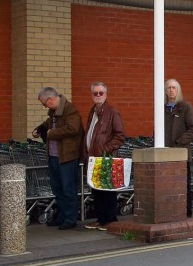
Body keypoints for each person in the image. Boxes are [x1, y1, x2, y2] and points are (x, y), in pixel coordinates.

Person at [32, 87, 83, 230]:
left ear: (50, 100)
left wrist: (51, 133)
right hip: (54, 156)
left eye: (44, 104)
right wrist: (40, 129)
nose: (44, 107)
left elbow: (72, 129)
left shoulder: (70, 109)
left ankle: (71, 218)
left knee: (68, 189)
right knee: (57, 189)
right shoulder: (54, 112)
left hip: (67, 156)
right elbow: (49, 123)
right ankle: (61, 216)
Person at [82, 82, 125, 230]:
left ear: (106, 94)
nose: (98, 95)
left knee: (107, 190)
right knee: (96, 190)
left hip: (106, 157)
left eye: (101, 93)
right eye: (95, 93)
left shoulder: (112, 112)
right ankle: (101, 219)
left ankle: (110, 220)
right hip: (93, 158)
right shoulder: (93, 112)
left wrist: (105, 149)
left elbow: (120, 136)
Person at [163, 78, 193, 218]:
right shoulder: (162, 108)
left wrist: (179, 142)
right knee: (167, 184)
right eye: (169, 88)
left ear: (178, 91)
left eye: (174, 88)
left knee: (183, 183)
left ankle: (186, 211)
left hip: (180, 152)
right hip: (165, 153)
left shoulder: (185, 107)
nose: (171, 90)